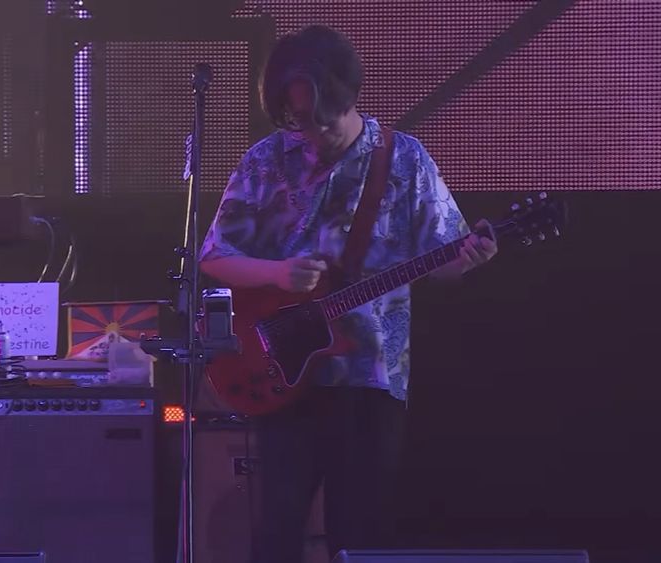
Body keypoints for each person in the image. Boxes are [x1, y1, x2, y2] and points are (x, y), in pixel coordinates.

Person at [199, 25, 498, 562]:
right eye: (297, 122)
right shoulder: (267, 159)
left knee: (361, 534)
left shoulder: (404, 161)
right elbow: (214, 258)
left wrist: (469, 258)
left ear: (347, 97)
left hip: (369, 378)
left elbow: (444, 262)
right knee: (276, 531)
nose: (311, 133)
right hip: (280, 369)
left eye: (321, 120)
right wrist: (277, 274)